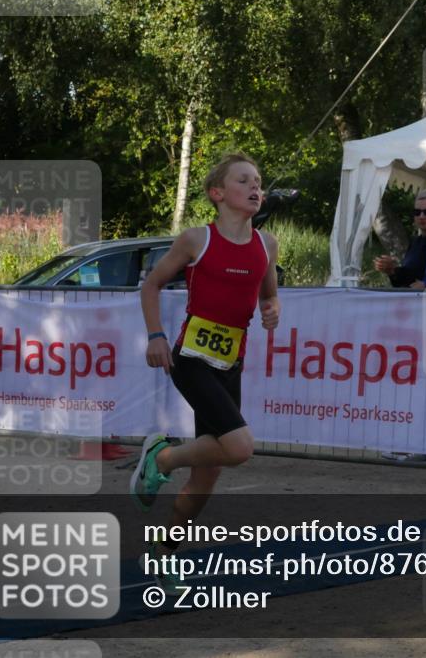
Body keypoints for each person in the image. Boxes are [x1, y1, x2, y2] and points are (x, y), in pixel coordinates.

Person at [133, 152, 280, 592]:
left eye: (258, 181)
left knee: (207, 477)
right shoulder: (197, 239)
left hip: (229, 363)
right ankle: (161, 457)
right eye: (243, 180)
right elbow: (152, 284)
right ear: (218, 194)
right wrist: (156, 334)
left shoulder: (266, 244)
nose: (255, 187)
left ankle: (164, 556)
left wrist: (272, 309)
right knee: (239, 448)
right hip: (191, 358)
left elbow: (268, 293)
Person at [373, 189, 426, 287]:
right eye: (417, 212)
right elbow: (407, 278)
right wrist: (392, 271)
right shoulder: (414, 242)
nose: (422, 216)